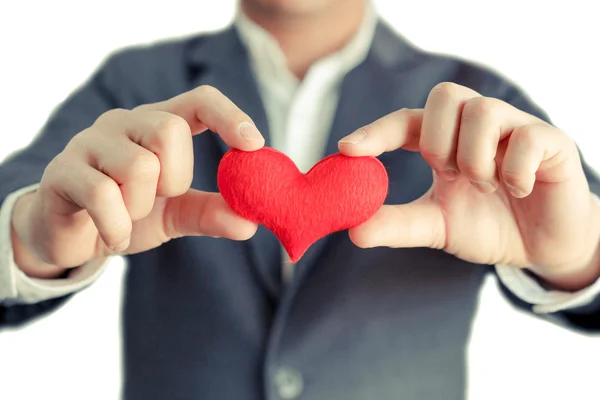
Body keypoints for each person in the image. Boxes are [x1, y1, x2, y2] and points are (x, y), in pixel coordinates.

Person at [1, 0, 599, 398]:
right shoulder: (136, 83)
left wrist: (578, 256)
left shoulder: (474, 99)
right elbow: (20, 199)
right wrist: (31, 236)